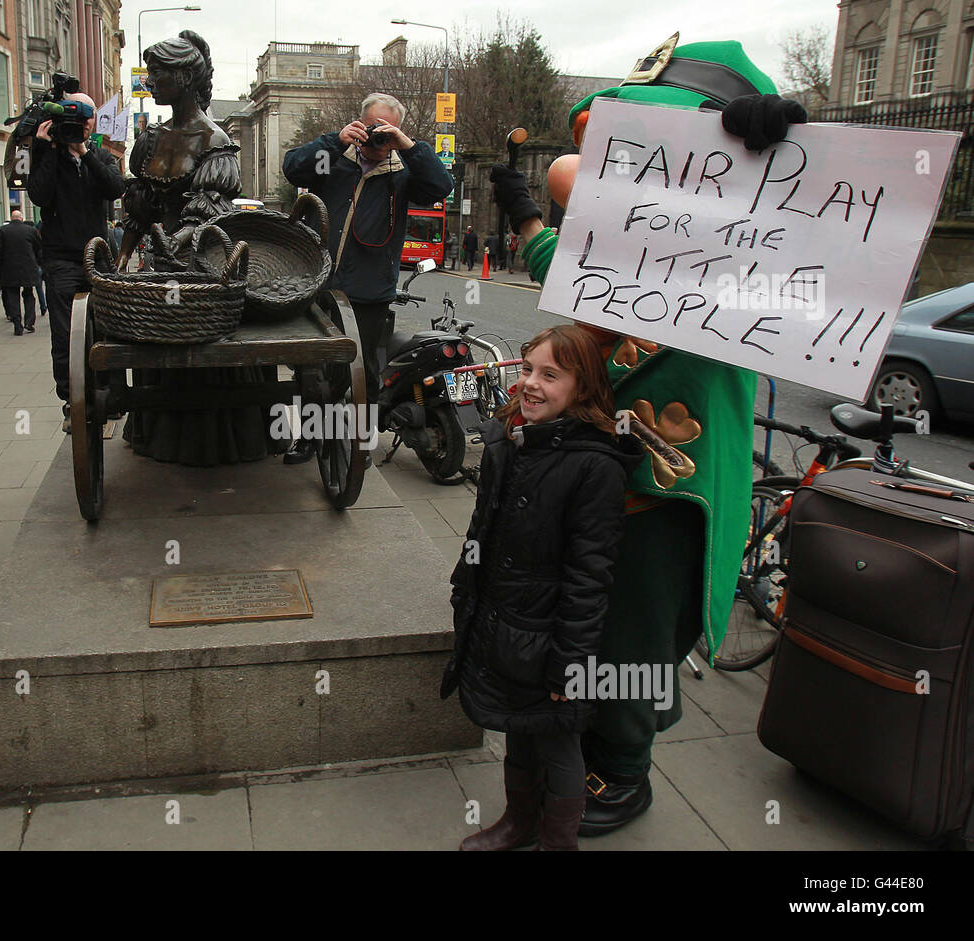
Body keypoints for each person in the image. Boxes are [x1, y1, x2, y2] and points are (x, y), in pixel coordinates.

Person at [489, 35, 807, 835]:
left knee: (640, 623)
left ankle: (624, 772)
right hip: (597, 470)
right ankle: (587, 746)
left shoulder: (745, 240)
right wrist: (527, 217)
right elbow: (573, 254)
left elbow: (819, 277)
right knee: (589, 615)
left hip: (674, 479)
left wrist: (770, 179)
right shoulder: (626, 231)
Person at [444, 326, 642, 850]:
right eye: (527, 368)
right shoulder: (510, 441)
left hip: (552, 635)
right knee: (516, 728)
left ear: (582, 388)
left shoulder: (595, 466)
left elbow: (589, 576)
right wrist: (467, 587)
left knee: (558, 744)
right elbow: (481, 529)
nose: (530, 383)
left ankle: (559, 842)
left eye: (550, 375)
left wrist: (569, 663)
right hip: (505, 621)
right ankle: (518, 822)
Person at [118, 30, 276, 465]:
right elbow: (142, 208)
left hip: (203, 262)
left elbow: (204, 218)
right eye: (150, 75)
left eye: (160, 75)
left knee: (205, 334)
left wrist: (173, 251)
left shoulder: (216, 144)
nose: (151, 83)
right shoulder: (150, 139)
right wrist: (120, 260)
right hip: (161, 260)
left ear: (186, 78)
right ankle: (162, 429)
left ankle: (216, 438)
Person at [282, 91, 454, 455]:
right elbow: (292, 167)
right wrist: (334, 140)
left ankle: (361, 441)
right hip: (317, 283)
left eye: (388, 129)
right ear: (360, 123)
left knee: (363, 371)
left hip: (370, 292)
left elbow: (441, 186)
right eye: (375, 126)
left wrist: (407, 145)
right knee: (312, 370)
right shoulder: (332, 160)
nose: (380, 136)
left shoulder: (404, 174)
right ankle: (311, 436)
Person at [27, 85, 125, 428]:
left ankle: (110, 395)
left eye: (84, 119)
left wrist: (84, 151)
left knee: (109, 327)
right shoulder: (45, 154)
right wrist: (48, 149)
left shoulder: (98, 155)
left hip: (97, 256)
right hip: (61, 259)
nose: (78, 125)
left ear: (92, 123)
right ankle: (73, 400)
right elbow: (39, 195)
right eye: (70, 117)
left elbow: (115, 188)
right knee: (65, 333)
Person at [0, 209, 42, 337]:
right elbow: (38, 247)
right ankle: (29, 322)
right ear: (21, 218)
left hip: (9, 269)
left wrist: (1, 263)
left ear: (11, 218)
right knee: (29, 294)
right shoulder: (30, 230)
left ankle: (17, 324)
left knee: (13, 297)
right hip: (28, 268)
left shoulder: (2, 230)